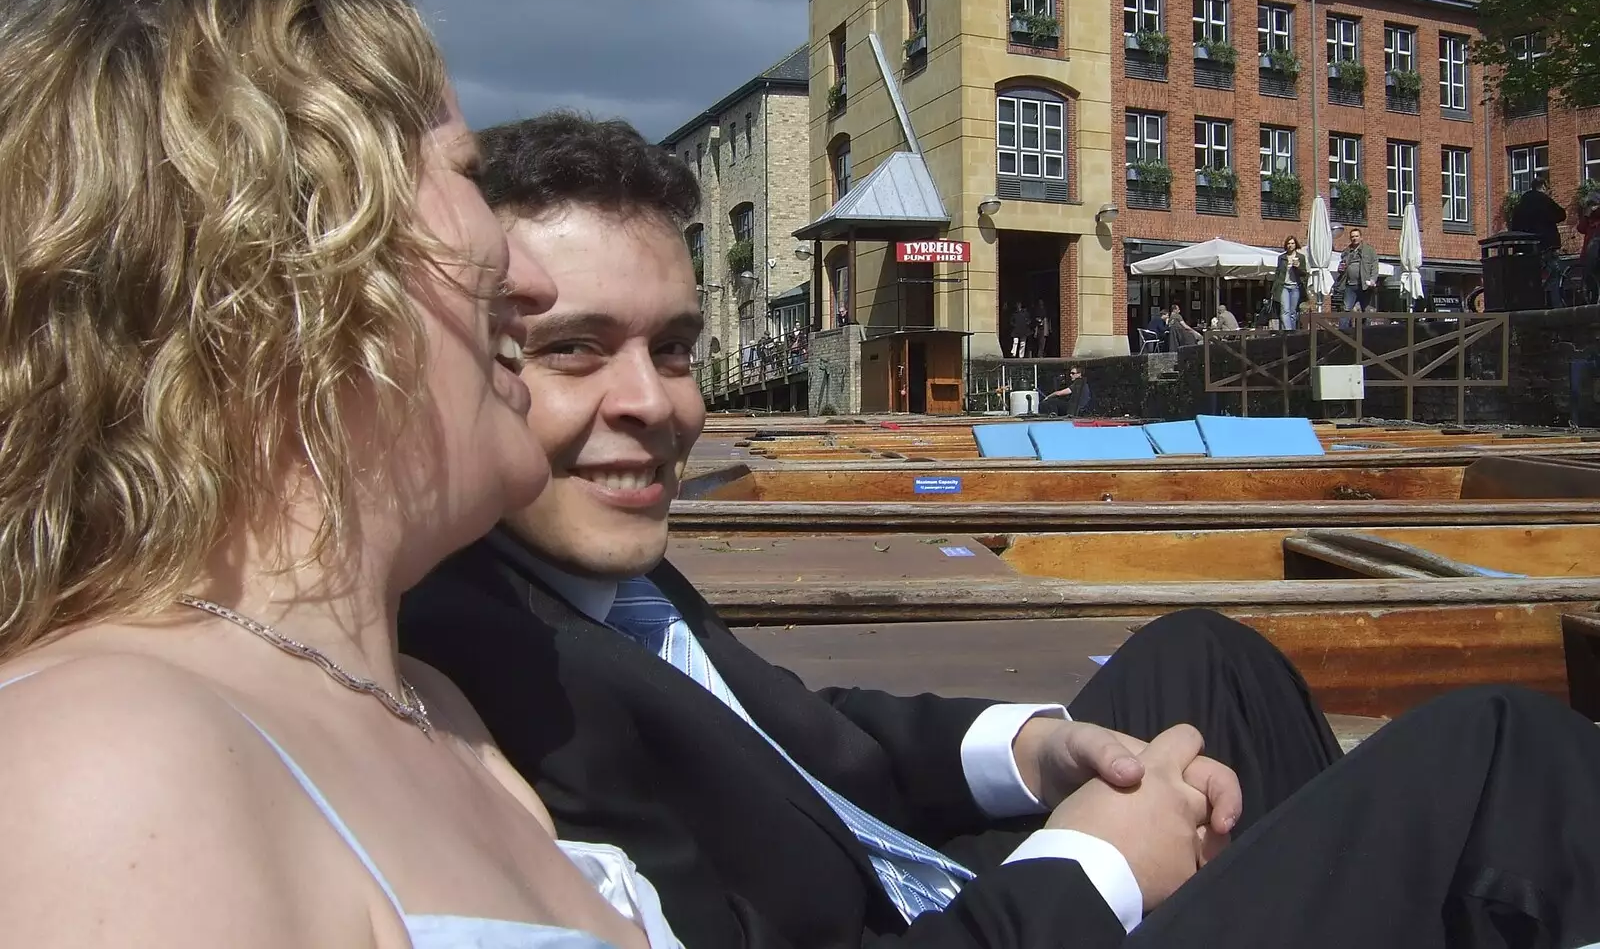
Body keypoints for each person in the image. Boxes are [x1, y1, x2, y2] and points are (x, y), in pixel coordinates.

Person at [401, 112, 1600, 949]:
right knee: (1493, 752)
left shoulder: (582, 568)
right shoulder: (488, 667)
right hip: (961, 924)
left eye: (671, 346)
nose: (653, 401)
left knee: (1205, 654)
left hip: (935, 883)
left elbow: (797, 728)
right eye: (571, 349)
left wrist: (1035, 747)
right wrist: (1094, 866)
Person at [0, 0, 681, 948]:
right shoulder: (110, 762)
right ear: (286, 256)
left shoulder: (430, 704)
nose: (529, 283)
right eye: (462, 176)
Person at [1510, 176, 1568, 306]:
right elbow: (1561, 215)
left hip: (1526, 249)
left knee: (1531, 277)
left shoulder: (1520, 205)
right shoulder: (1544, 201)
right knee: (1554, 274)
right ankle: (1556, 306)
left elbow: (1514, 226)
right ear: (1542, 187)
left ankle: (1534, 303)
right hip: (1546, 245)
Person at [1335, 227, 1380, 313]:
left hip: (1364, 286)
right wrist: (1341, 269)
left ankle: (1365, 327)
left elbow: (1375, 266)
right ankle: (1343, 327)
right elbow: (1341, 268)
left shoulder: (1369, 250)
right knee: (1346, 310)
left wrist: (1373, 279)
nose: (1354, 238)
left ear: (1361, 237)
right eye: (1352, 237)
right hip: (1349, 285)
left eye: (1356, 236)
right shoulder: (1346, 251)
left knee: (1366, 310)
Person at [1272, 236, 1307, 330]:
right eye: (1288, 243)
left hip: (1295, 287)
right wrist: (1274, 289)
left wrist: (1298, 267)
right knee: (1285, 311)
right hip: (1284, 286)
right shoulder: (1281, 257)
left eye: (1292, 243)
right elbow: (1278, 273)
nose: (1290, 245)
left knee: (1293, 312)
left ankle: (1292, 334)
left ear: (1296, 245)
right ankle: (1289, 332)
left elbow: (1304, 273)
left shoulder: (1301, 257)